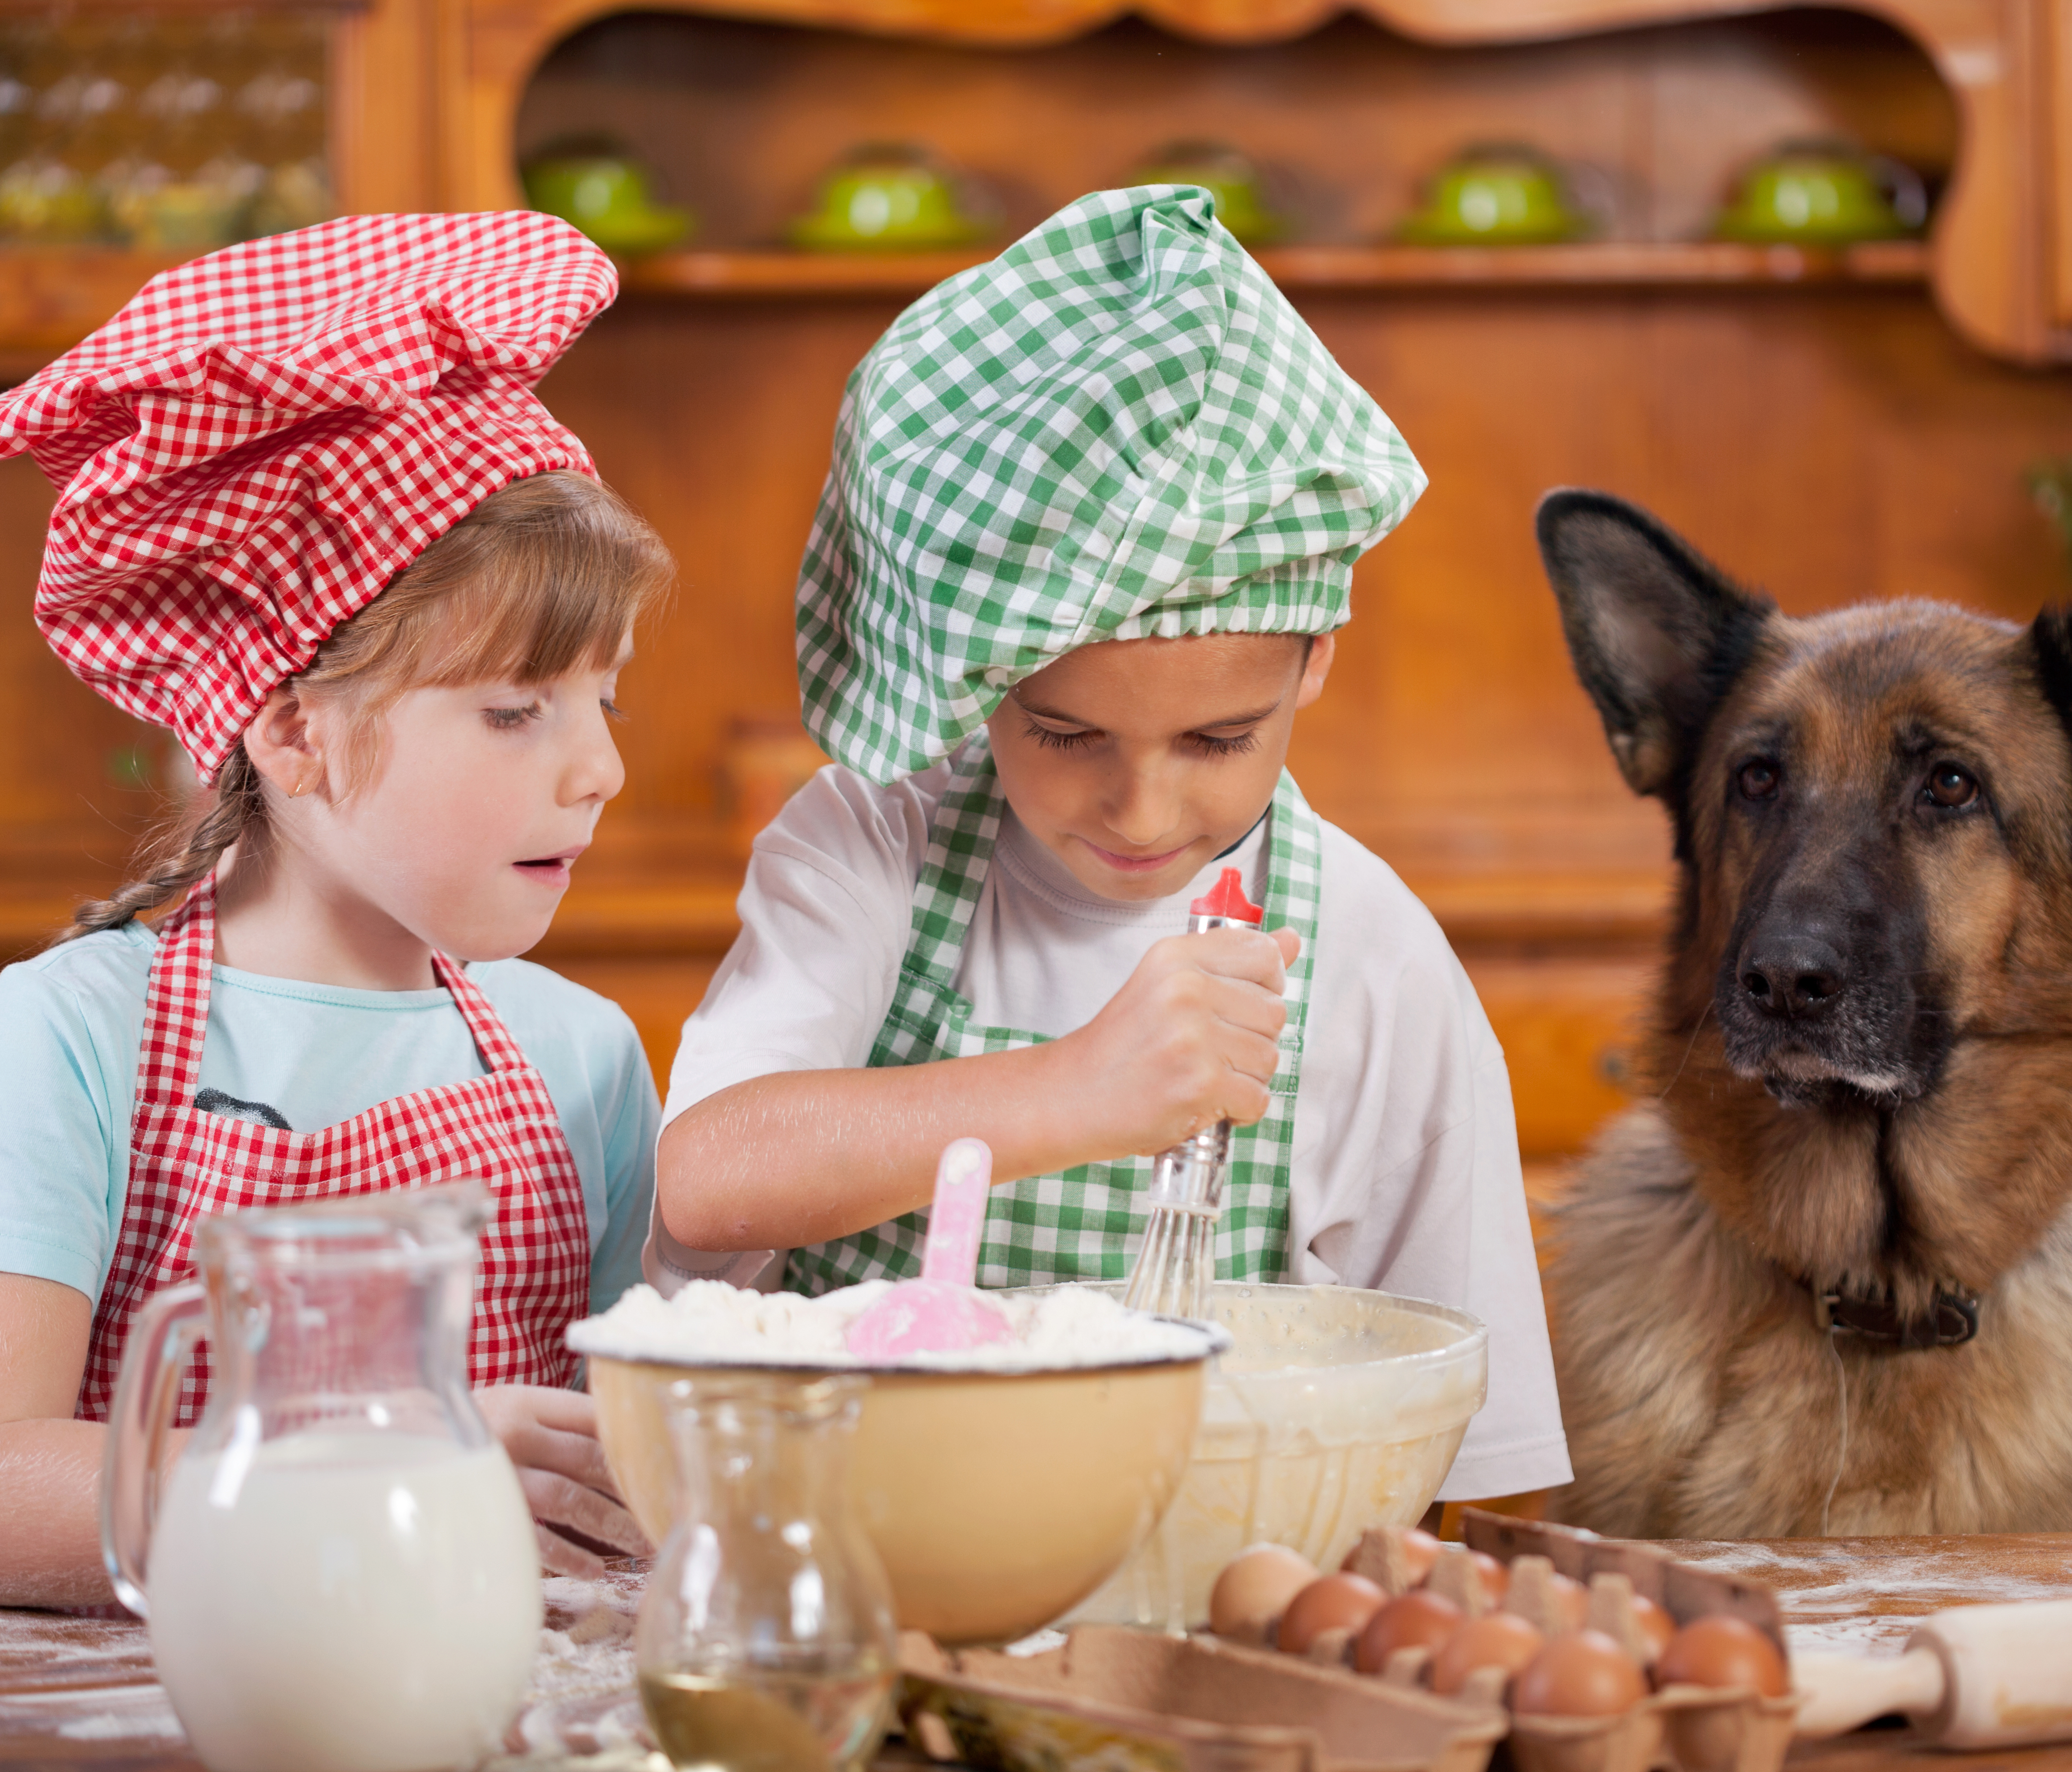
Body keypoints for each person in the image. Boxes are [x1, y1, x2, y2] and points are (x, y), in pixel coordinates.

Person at [650, 188, 1569, 1506]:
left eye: (1216, 741)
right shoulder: (879, 847)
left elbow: (1470, 1446)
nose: (1140, 815)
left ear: (1315, 661)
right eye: (1066, 735)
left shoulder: (1369, 949)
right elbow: (710, 1183)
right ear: (981, 688)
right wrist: (1086, 1090)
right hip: (864, 1563)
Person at [0, 215, 670, 1609]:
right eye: (513, 710)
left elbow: (629, 1484)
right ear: (295, 733)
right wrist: (390, 1458)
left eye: (606, 700)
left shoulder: (582, 1060)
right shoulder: (70, 1039)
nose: (600, 767)